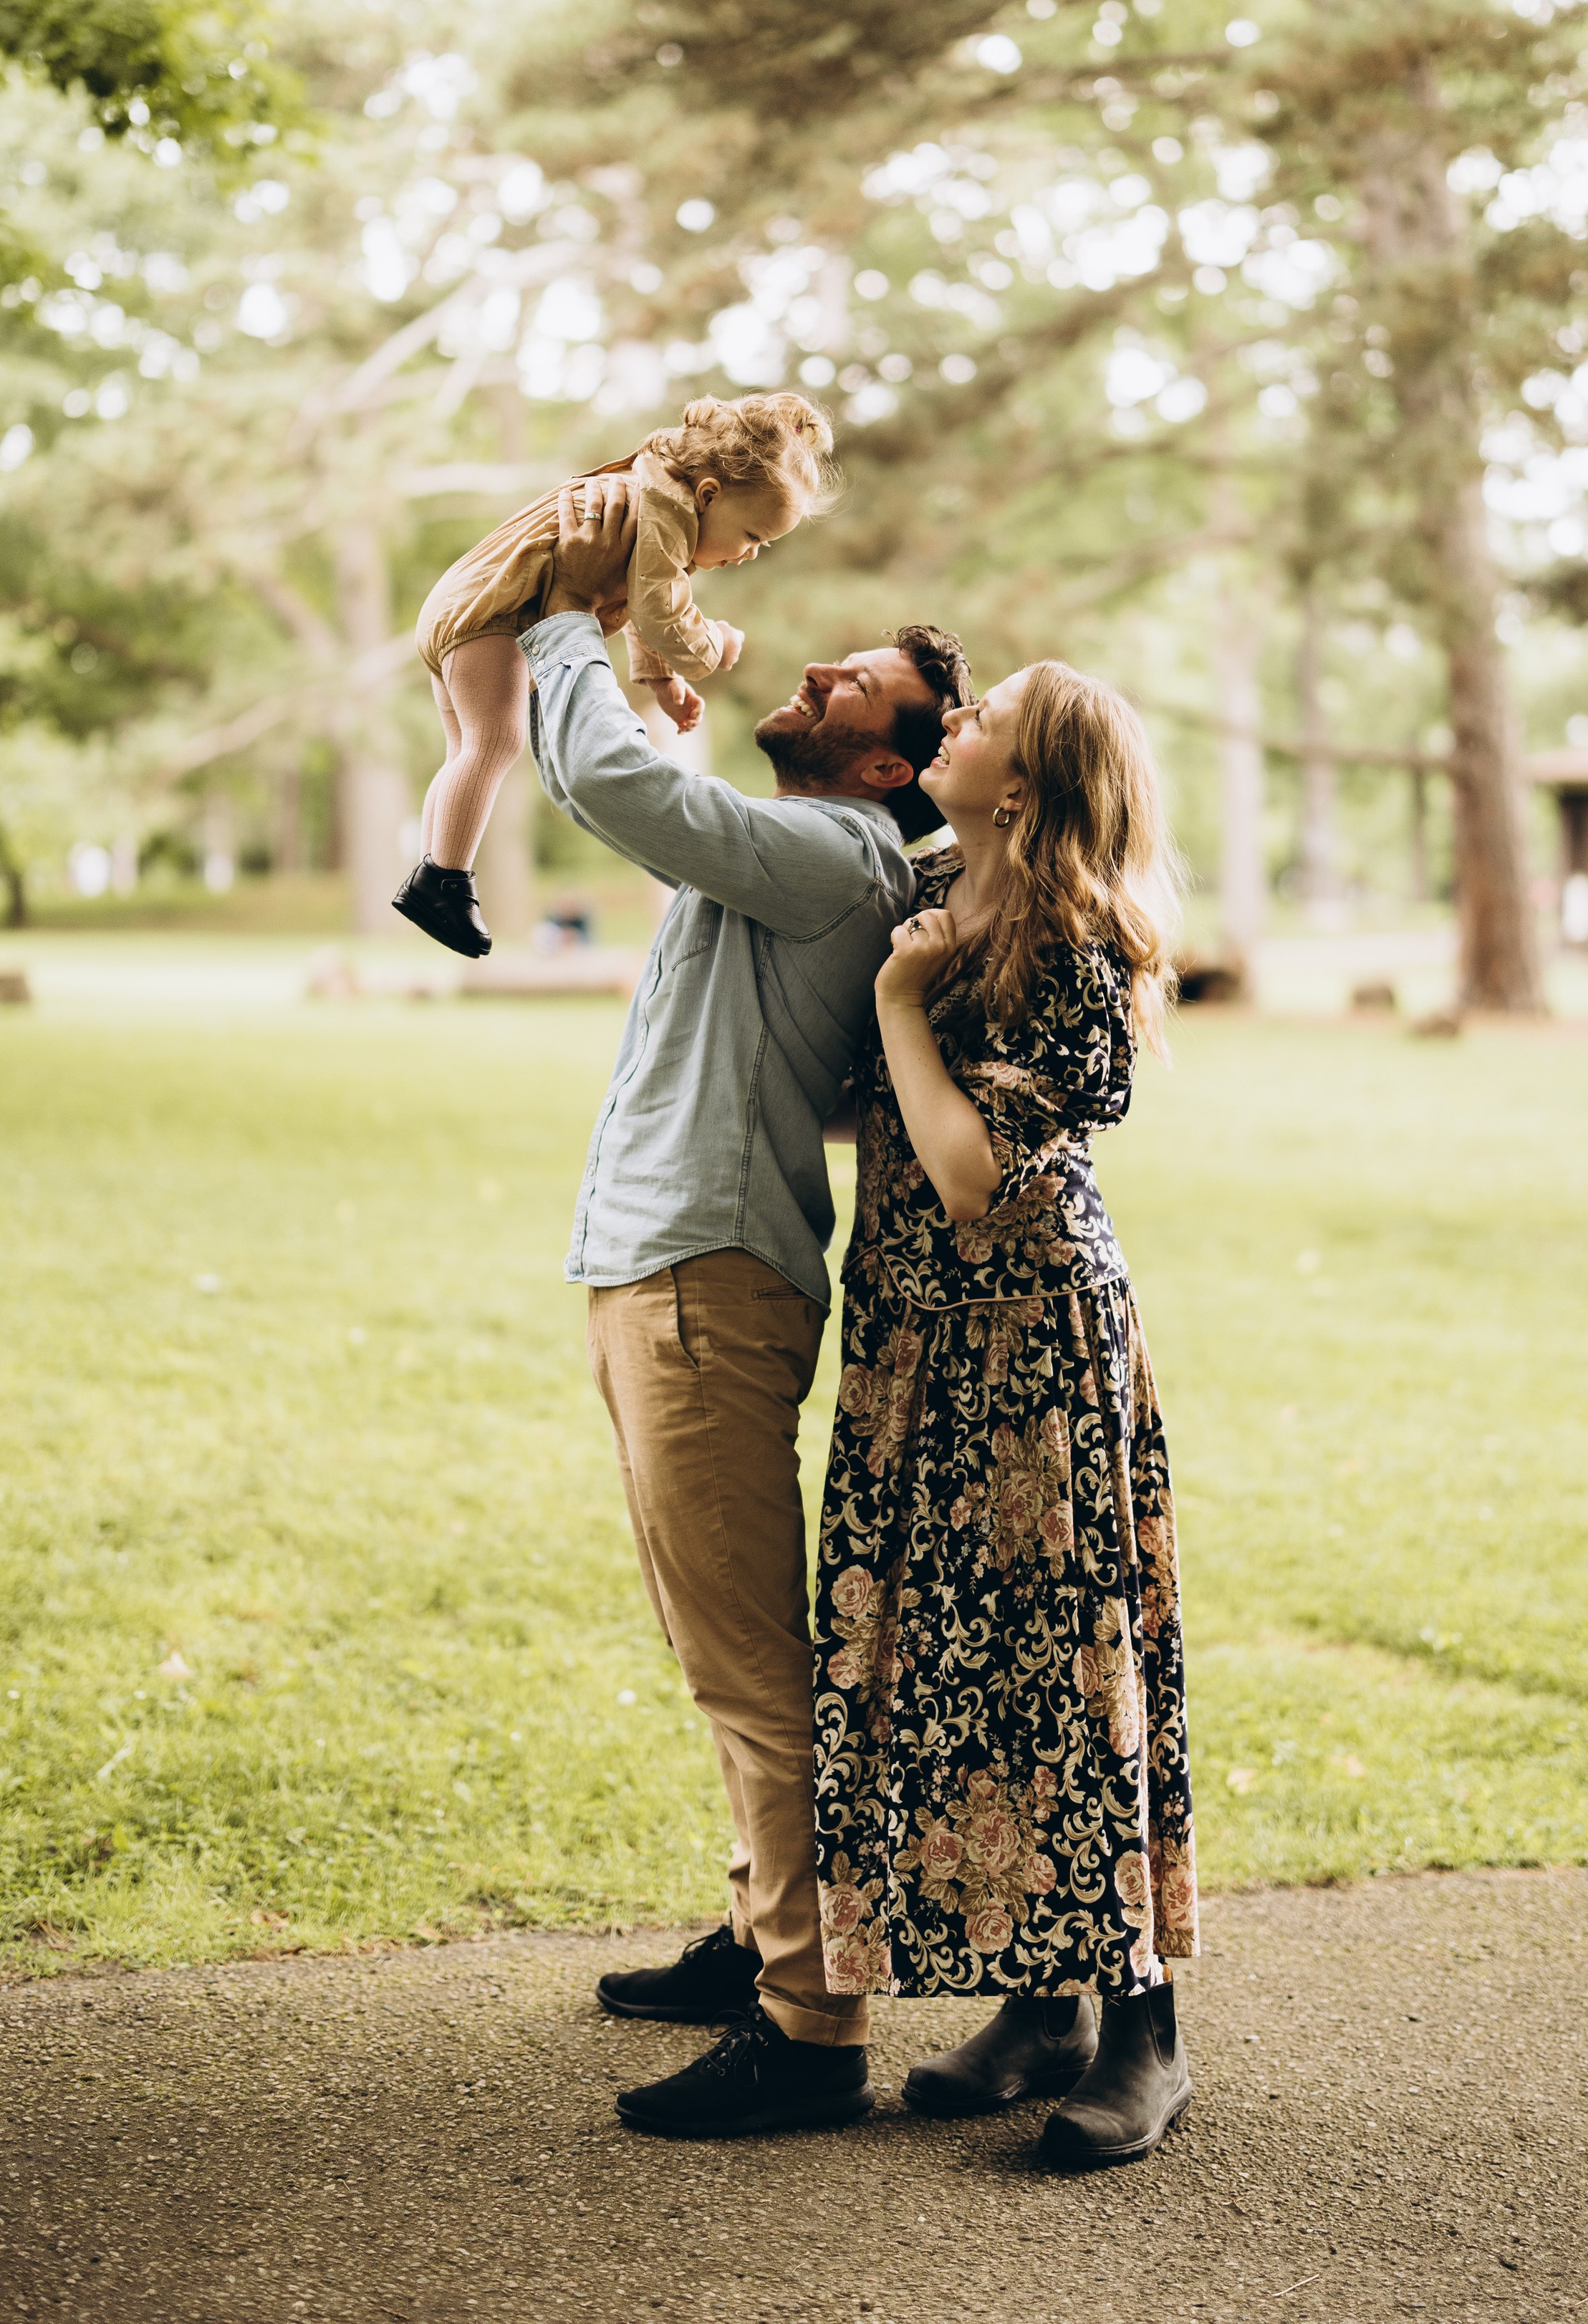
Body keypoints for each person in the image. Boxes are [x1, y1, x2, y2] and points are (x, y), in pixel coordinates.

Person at [515, 473, 971, 2139]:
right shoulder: (814, 850)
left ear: (887, 763)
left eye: (847, 685)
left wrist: (568, 619)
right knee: (715, 1644)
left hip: (702, 1283)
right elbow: (674, 807)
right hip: (667, 1267)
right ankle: (764, 1927)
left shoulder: (838, 856)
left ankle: (810, 2017)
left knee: (744, 1665)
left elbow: (595, 781)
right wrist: (666, 714)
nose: (815, 678)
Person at [812, 660, 1198, 2169]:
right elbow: (875, 1118)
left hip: (1031, 1344)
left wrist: (899, 1001)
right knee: (967, 1667)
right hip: (915, 1338)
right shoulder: (924, 887)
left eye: (978, 722)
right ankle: (1040, 2005)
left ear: (1023, 785)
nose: (947, 724)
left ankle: (1144, 2027)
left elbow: (975, 1181)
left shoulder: (1076, 943)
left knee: (1068, 1662)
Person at [395, 392, 834, 959]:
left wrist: (660, 682)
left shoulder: (653, 496)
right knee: (494, 742)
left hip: (463, 605)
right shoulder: (663, 514)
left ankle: (435, 869)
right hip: (492, 614)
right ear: (710, 494)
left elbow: (631, 596)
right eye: (753, 536)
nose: (751, 555)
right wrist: (712, 648)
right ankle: (444, 881)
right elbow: (660, 610)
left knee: (465, 751)